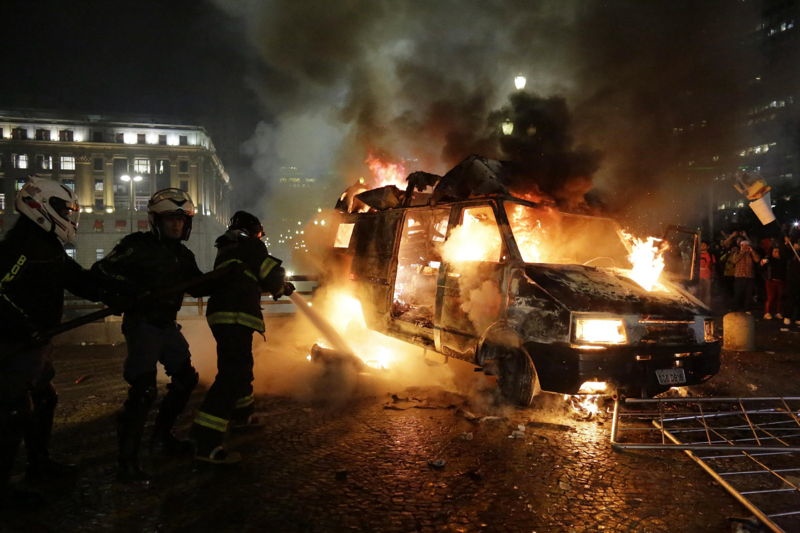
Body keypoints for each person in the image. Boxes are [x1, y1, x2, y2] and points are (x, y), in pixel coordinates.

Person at [92, 188, 210, 482]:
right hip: (142, 324)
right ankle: (127, 462)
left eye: (182, 220)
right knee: (143, 391)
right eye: (171, 219)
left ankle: (162, 437)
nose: (177, 225)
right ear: (156, 220)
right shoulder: (136, 245)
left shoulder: (183, 255)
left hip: (167, 327)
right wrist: (131, 291)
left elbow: (197, 286)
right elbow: (101, 271)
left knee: (186, 379)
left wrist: (228, 276)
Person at [0, 177, 104, 506]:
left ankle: (38, 464)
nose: (69, 217)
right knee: (13, 410)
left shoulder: (47, 245)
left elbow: (80, 281)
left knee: (43, 400)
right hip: (11, 345)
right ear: (39, 205)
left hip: (35, 344)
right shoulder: (21, 245)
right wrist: (24, 324)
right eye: (64, 209)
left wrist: (121, 289)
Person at [190, 211, 294, 464]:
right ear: (254, 230)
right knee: (232, 375)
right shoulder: (251, 244)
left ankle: (242, 416)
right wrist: (282, 285)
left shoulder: (228, 246)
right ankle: (206, 442)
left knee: (241, 367)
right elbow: (269, 272)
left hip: (224, 314)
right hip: (236, 314)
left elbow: (245, 276)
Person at [730, 239, 760, 313]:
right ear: (741, 246)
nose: (746, 247)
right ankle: (735, 308)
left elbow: (757, 260)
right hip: (739, 276)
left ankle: (747, 309)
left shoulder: (751, 253)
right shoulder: (737, 253)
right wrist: (742, 252)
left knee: (748, 294)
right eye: (744, 245)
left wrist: (752, 251)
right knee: (738, 293)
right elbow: (734, 261)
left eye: (747, 245)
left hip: (749, 276)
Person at [760, 245, 787, 320]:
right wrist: (763, 262)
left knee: (780, 297)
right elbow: (762, 266)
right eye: (774, 251)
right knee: (770, 297)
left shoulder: (783, 261)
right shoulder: (769, 260)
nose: (776, 253)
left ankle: (778, 312)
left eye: (777, 251)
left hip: (780, 281)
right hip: (771, 281)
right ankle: (767, 312)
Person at [697, 240, 716, 308]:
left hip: (707, 276)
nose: (702, 246)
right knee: (699, 292)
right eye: (701, 245)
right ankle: (698, 306)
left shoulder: (711, 255)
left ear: (708, 247)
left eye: (704, 245)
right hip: (698, 277)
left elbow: (713, 266)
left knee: (707, 293)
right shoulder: (696, 254)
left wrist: (713, 276)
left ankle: (706, 307)